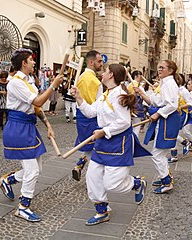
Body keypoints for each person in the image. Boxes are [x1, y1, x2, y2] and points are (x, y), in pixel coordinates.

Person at [71, 64, 151, 225]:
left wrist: (104, 131)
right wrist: (78, 97)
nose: (102, 73)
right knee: (92, 178)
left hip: (118, 143)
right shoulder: (105, 94)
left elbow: (124, 122)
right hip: (102, 143)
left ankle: (137, 183)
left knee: (112, 184)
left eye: (105, 71)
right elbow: (91, 112)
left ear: (111, 75)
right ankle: (102, 211)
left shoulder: (120, 95)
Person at [0, 48, 63, 222]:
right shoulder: (15, 83)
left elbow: (36, 108)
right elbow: (39, 101)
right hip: (17, 127)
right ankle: (23, 207)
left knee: (37, 169)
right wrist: (53, 85)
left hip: (28, 126)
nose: (34, 62)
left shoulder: (30, 81)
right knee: (32, 170)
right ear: (23, 63)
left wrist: (48, 125)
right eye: (31, 60)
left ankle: (9, 179)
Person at [134, 60, 180, 194]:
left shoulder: (170, 84)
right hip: (165, 120)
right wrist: (142, 93)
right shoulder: (164, 83)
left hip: (168, 120)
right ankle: (165, 176)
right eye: (158, 67)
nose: (159, 70)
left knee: (157, 154)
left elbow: (172, 105)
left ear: (170, 70)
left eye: (162, 68)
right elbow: (157, 101)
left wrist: (158, 114)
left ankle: (167, 181)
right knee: (161, 153)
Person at [71, 50, 104, 181]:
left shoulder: (79, 78)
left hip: (80, 115)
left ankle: (80, 165)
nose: (102, 64)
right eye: (99, 61)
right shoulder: (96, 82)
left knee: (88, 145)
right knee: (95, 149)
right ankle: (94, 180)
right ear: (91, 62)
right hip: (92, 116)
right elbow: (99, 105)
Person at [127, 70, 145, 137]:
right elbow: (144, 96)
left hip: (130, 107)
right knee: (137, 127)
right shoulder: (137, 86)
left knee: (132, 126)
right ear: (137, 76)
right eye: (141, 76)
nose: (142, 78)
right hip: (137, 107)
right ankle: (134, 142)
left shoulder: (129, 85)